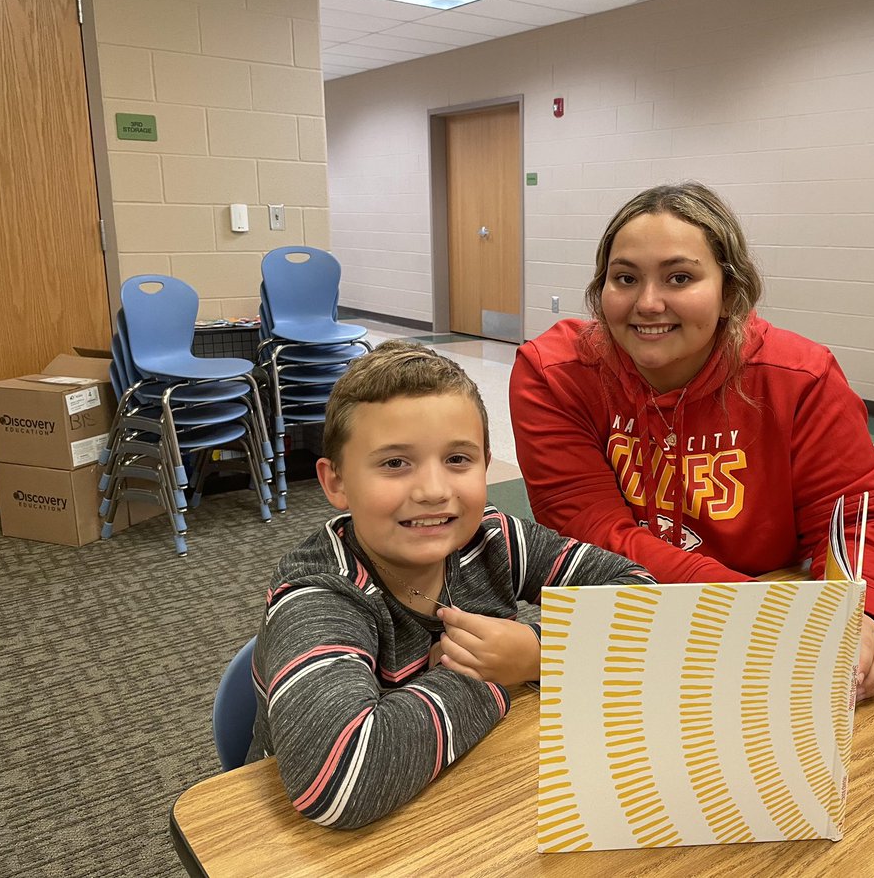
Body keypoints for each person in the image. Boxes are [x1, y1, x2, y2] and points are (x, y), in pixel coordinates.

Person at [509, 182, 874, 702]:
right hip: (628, 615)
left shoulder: (799, 378)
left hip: (769, 612)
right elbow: (592, 534)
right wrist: (753, 608)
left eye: (680, 277)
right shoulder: (554, 374)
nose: (648, 303)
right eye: (625, 278)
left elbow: (856, 523)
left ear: (730, 290)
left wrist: (860, 612)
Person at [247, 341, 653, 829]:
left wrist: (539, 652)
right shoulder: (319, 595)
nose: (434, 491)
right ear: (336, 483)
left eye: (458, 459)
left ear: (486, 463)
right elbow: (338, 784)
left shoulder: (493, 537)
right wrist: (486, 675)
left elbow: (640, 597)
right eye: (395, 463)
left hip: (473, 797)